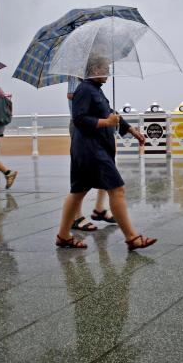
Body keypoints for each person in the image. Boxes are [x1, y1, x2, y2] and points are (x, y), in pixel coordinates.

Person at [56, 56, 156, 251]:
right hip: (91, 150)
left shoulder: (95, 90)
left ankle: (63, 236)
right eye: (105, 68)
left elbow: (110, 112)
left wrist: (131, 130)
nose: (108, 72)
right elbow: (79, 119)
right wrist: (107, 123)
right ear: (94, 69)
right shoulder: (84, 90)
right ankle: (132, 238)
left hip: (89, 150)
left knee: (77, 193)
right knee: (116, 189)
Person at [67, 75, 111, 232]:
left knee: (108, 166)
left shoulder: (93, 84)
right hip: (83, 128)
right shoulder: (78, 78)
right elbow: (71, 95)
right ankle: (76, 217)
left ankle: (99, 208)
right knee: (81, 175)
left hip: (96, 127)